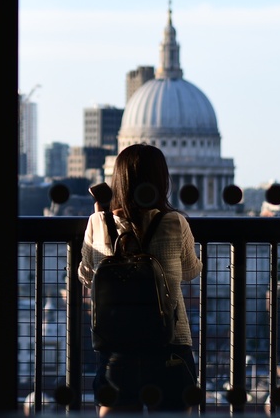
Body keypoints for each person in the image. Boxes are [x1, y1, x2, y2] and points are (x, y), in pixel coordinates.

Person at [78, 144, 202, 415]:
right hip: (170, 343)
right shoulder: (175, 222)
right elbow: (192, 271)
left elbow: (86, 277)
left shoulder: (98, 223)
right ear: (161, 180)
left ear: (118, 180)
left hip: (118, 345)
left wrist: (102, 216)